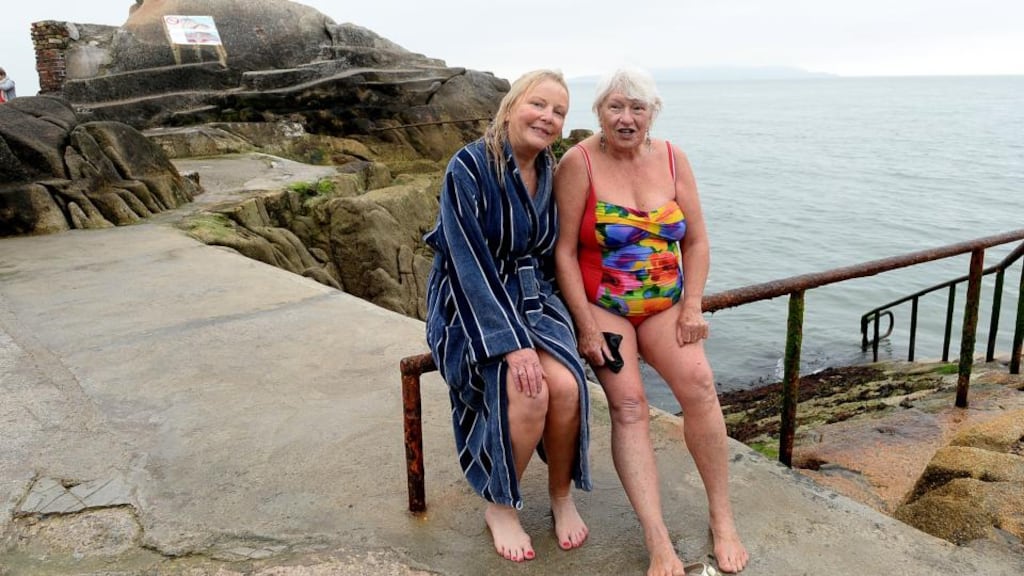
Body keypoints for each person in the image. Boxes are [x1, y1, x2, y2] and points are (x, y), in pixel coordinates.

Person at [553, 66, 749, 575]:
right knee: (631, 407)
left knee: (701, 387)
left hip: (667, 305)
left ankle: (722, 518)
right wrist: (587, 326)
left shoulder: (672, 157)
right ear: (598, 113)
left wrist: (693, 305)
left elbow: (697, 239)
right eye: (616, 107)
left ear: (652, 114)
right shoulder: (578, 163)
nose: (626, 118)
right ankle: (657, 537)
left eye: (637, 108)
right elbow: (565, 252)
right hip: (606, 307)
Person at [423, 69, 591, 563]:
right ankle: (500, 502)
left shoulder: (550, 170)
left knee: (566, 386)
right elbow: (466, 258)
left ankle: (560, 495)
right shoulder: (469, 167)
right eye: (538, 105)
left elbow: (554, 253)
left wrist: (584, 317)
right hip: (470, 298)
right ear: (512, 106)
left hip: (532, 293)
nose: (548, 117)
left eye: (559, 112)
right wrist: (511, 342)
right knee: (526, 387)